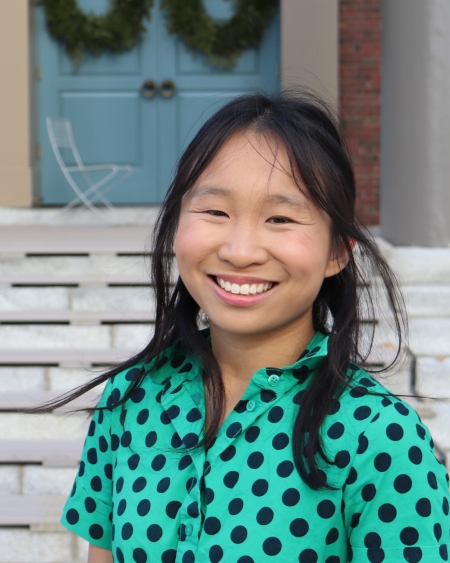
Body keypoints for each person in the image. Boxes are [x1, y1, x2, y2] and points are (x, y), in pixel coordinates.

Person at [48, 91, 449, 562]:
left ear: (338, 250)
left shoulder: (381, 439)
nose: (240, 251)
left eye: (280, 218)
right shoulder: (130, 397)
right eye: (215, 212)